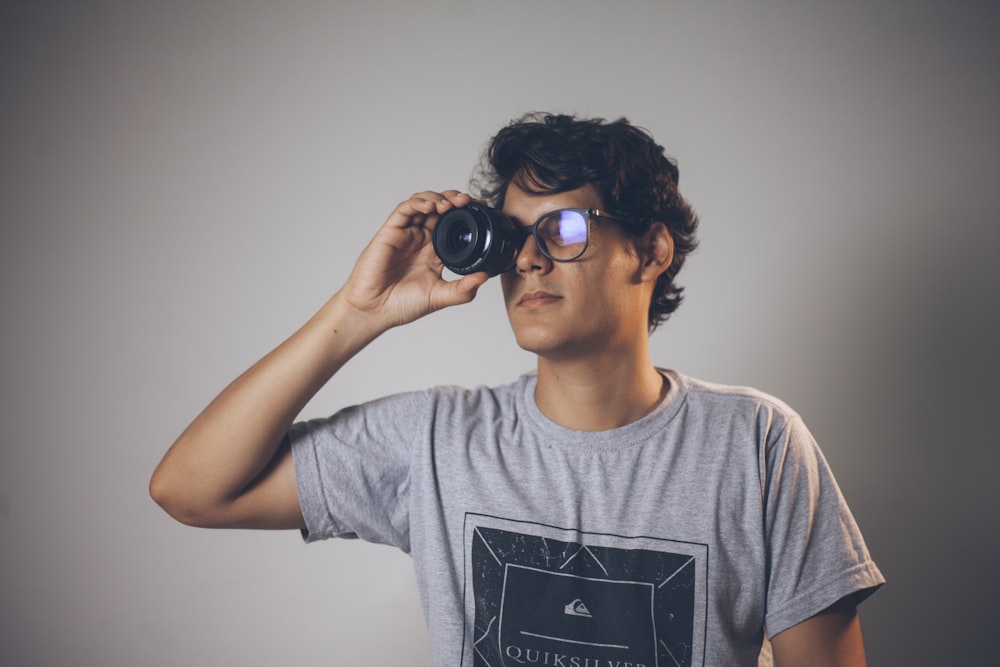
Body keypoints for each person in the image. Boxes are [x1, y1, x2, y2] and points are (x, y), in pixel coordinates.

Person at [150, 113, 884, 666]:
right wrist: (356, 313)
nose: (528, 259)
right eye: (511, 233)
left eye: (563, 227)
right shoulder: (439, 440)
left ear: (651, 250)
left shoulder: (756, 447)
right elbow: (190, 486)